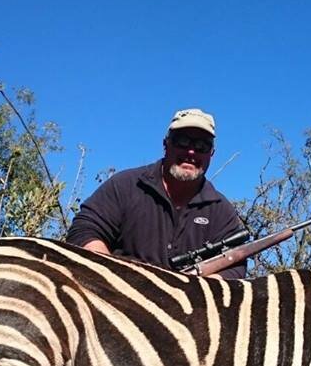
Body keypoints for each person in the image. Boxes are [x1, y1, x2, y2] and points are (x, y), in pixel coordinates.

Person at [66, 108, 246, 279]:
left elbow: (235, 266)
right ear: (166, 144)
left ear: (211, 154)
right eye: (182, 141)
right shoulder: (126, 185)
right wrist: (111, 276)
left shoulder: (221, 211)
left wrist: (199, 289)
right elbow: (85, 229)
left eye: (201, 146)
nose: (191, 152)